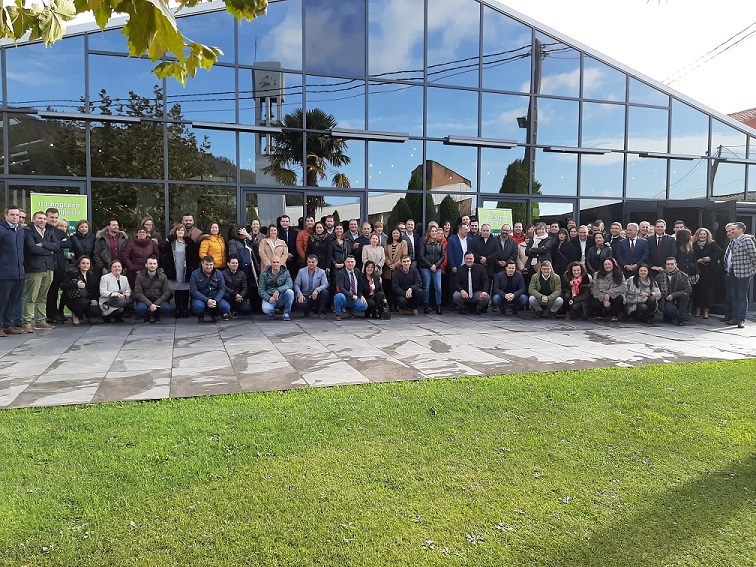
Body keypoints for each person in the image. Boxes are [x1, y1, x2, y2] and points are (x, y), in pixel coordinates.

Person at [22, 211, 59, 332]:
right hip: (34, 268)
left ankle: (40, 321)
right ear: (34, 219)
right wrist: (49, 251)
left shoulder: (49, 231)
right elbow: (32, 248)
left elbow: (57, 246)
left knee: (43, 297)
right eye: (39, 218)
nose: (42, 220)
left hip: (48, 268)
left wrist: (43, 244)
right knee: (31, 297)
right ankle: (26, 323)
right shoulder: (28, 231)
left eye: (43, 218)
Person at [722, 222, 756, 328]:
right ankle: (735, 317)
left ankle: (741, 319)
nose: (731, 231)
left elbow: (754, 256)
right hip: (732, 272)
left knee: (741, 296)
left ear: (740, 230)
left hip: (743, 273)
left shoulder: (747, 241)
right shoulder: (733, 241)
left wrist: (752, 269)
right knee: (734, 296)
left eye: (734, 229)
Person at [161, 223, 199, 318]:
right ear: (175, 231)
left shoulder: (189, 242)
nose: (180, 232)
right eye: (178, 230)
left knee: (185, 290)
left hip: (186, 269)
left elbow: (194, 256)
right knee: (177, 290)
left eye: (182, 230)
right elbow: (164, 255)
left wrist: (192, 268)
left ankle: (185, 309)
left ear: (185, 232)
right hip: (175, 268)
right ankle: (178, 309)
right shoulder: (171, 243)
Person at [0, 206, 26, 336]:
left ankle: (7, 325)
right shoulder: (2, 230)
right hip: (4, 273)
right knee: (2, 300)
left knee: (12, 300)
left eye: (17, 215)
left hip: (18, 272)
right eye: (12, 214)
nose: (16, 217)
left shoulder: (20, 231)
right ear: (6, 215)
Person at [44, 208, 70, 325]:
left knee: (56, 291)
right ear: (46, 217)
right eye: (51, 217)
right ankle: (50, 315)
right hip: (47, 266)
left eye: (56, 217)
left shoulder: (60, 232)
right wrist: (57, 244)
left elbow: (68, 243)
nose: (54, 219)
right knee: (49, 293)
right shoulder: (43, 231)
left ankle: (56, 314)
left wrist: (53, 245)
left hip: (59, 266)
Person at [691, 227, 722, 319]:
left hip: (709, 271)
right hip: (697, 270)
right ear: (697, 235)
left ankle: (706, 310)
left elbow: (720, 253)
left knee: (708, 291)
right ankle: (697, 309)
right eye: (701, 234)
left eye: (704, 234)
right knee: (697, 290)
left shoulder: (712, 244)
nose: (702, 236)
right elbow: (690, 256)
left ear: (707, 235)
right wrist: (697, 261)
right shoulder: (693, 244)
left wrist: (710, 258)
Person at [60, 255, 100, 325]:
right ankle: (75, 315)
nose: (85, 265)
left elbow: (94, 290)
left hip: (87, 298)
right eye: (83, 263)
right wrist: (76, 285)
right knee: (83, 302)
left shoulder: (92, 275)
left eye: (87, 263)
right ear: (78, 264)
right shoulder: (71, 273)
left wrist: (94, 299)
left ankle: (83, 314)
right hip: (72, 298)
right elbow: (63, 286)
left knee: (95, 311)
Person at [190, 255, 231, 323]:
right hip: (201, 298)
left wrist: (216, 300)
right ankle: (200, 316)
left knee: (225, 307)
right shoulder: (195, 274)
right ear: (202, 264)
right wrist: (207, 300)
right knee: (198, 307)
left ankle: (215, 314)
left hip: (214, 297)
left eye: (211, 265)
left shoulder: (219, 273)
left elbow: (222, 289)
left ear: (213, 264)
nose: (209, 267)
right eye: (206, 264)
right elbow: (194, 291)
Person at [133, 255, 174, 323]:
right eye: (150, 263)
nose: (152, 265)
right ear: (146, 265)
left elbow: (166, 292)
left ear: (157, 265)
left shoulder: (163, 276)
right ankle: (146, 316)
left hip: (158, 300)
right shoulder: (139, 276)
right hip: (145, 300)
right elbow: (138, 292)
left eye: (154, 264)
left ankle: (157, 315)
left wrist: (155, 304)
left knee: (166, 308)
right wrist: (150, 304)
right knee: (140, 309)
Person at [656, 257, 692, 326]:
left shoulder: (683, 276)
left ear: (676, 265)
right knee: (670, 311)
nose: (670, 266)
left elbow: (688, 289)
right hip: (666, 300)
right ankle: (670, 315)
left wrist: (673, 295)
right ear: (665, 265)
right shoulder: (659, 277)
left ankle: (681, 319)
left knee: (684, 296)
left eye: (672, 264)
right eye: (668, 264)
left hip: (679, 299)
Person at [258, 255, 294, 321]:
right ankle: (271, 312)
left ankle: (286, 312)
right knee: (267, 309)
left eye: (277, 262)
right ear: (271, 263)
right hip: (270, 297)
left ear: (280, 263)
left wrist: (278, 290)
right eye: (274, 262)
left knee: (290, 292)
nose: (276, 264)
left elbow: (289, 284)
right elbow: (261, 290)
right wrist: (268, 298)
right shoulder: (265, 274)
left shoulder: (286, 272)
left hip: (281, 296)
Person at [418, 225, 445, 314]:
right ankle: (426, 305)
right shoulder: (424, 242)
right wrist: (430, 265)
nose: (434, 233)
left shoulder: (440, 243)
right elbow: (422, 255)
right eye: (432, 231)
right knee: (426, 287)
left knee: (438, 287)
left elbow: (443, 256)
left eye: (435, 231)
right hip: (426, 267)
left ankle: (438, 305)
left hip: (437, 268)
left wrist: (436, 265)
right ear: (429, 232)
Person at [333, 256, 368, 320]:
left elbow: (360, 285)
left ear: (355, 263)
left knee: (364, 305)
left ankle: (351, 312)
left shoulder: (357, 271)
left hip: (355, 298)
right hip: (345, 297)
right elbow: (341, 288)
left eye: (352, 262)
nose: (350, 263)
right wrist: (351, 296)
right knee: (338, 296)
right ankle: (338, 314)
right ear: (345, 263)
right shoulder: (340, 273)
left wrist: (361, 296)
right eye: (348, 262)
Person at [294, 254, 329, 318]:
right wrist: (299, 294)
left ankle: (321, 312)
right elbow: (296, 284)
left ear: (316, 262)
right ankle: (306, 312)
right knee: (302, 304)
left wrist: (317, 290)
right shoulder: (301, 271)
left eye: (313, 262)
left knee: (325, 292)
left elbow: (325, 284)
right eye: (309, 262)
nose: (311, 264)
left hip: (316, 294)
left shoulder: (322, 272)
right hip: (305, 294)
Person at [99, 259, 132, 323]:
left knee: (130, 301)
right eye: (114, 267)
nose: (117, 268)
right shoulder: (104, 278)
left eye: (119, 266)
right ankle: (106, 316)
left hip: (120, 300)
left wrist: (126, 293)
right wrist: (116, 294)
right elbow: (103, 292)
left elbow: (128, 289)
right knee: (120, 308)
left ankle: (117, 317)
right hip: (108, 301)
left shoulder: (124, 278)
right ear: (111, 269)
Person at [470, 223, 500, 293]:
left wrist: (487, 259)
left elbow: (497, 253)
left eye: (487, 231)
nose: (486, 232)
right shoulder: (474, 240)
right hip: (477, 267)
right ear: (481, 231)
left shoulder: (495, 241)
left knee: (487, 288)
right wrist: (480, 259)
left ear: (490, 231)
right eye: (484, 230)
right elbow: (471, 252)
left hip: (490, 268)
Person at [383, 227, 408, 311]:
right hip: (388, 269)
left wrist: (396, 265)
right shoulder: (387, 243)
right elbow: (385, 254)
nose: (395, 234)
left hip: (398, 269)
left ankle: (397, 305)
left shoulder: (403, 243)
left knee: (397, 288)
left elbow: (404, 256)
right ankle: (390, 305)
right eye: (394, 233)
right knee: (388, 288)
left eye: (397, 233)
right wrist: (389, 264)